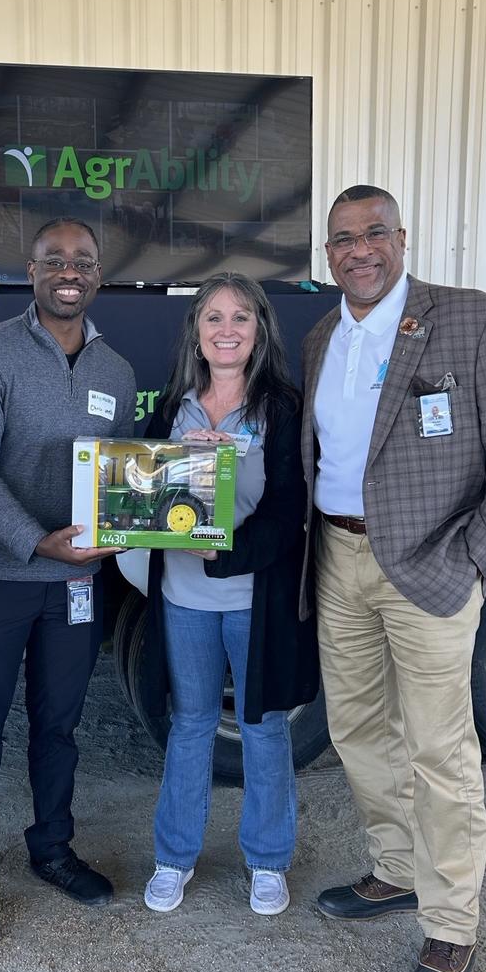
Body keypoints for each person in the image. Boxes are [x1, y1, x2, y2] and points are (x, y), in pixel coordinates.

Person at [301, 184, 486, 972]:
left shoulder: (476, 320)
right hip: (338, 558)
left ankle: (452, 923)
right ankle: (398, 868)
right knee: (357, 727)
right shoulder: (318, 338)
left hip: (435, 566)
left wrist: (481, 559)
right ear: (328, 253)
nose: (359, 250)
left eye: (374, 233)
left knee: (440, 748)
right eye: (343, 239)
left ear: (402, 238)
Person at [0, 217, 136, 945]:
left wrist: (114, 531)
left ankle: (52, 848)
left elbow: (119, 477)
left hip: (77, 581)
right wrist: (34, 542)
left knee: (59, 723)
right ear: (30, 270)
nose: (69, 269)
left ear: (97, 274)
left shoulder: (116, 371)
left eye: (82, 260)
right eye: (54, 258)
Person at [137, 274, 319, 915]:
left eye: (240, 317)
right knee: (188, 726)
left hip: (252, 600)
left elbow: (288, 513)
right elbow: (147, 493)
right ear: (196, 331)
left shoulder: (282, 408)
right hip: (183, 599)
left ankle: (268, 861)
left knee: (263, 727)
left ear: (259, 330)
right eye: (213, 317)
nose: (226, 330)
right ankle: (173, 857)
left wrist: (227, 553)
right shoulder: (172, 407)